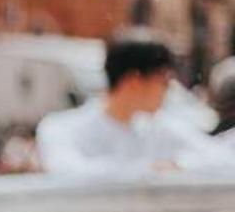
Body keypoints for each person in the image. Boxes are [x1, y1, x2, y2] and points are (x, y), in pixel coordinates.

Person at [37, 37, 231, 175]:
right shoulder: (62, 128)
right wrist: (149, 171)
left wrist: (180, 165)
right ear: (134, 81)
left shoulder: (159, 128)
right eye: (163, 82)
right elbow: (68, 172)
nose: (168, 90)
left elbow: (222, 159)